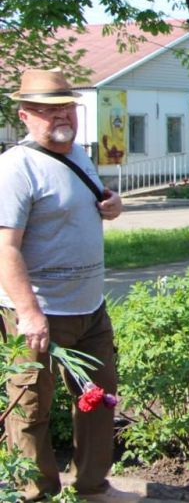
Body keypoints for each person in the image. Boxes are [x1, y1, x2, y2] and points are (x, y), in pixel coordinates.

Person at [0, 69, 131, 502]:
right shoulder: (15, 168)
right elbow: (6, 249)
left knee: (99, 398)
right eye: (46, 109)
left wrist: (111, 205)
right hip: (38, 313)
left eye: (66, 107)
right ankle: (35, 495)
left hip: (89, 308)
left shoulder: (78, 155)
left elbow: (85, 202)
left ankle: (92, 487)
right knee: (31, 409)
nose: (60, 116)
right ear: (25, 116)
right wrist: (29, 312)